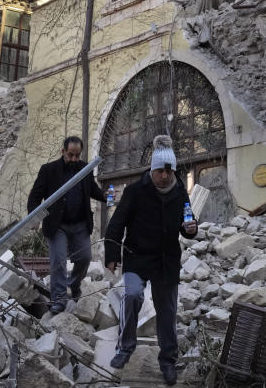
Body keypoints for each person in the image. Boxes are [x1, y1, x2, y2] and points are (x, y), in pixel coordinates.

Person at [105, 134, 198, 386]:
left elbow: (188, 222)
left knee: (167, 311)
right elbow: (115, 225)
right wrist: (112, 256)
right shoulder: (135, 191)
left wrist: (191, 228)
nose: (164, 176)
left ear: (173, 171)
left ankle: (167, 360)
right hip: (137, 257)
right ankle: (125, 347)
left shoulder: (181, 193)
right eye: (160, 171)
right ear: (152, 169)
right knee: (132, 296)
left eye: (169, 172)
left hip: (166, 260)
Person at [27, 136, 106, 314]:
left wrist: (108, 197)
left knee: (85, 258)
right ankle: (59, 299)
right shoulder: (48, 170)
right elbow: (35, 196)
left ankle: (74, 284)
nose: (74, 159)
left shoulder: (85, 169)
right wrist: (34, 217)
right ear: (62, 151)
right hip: (57, 225)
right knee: (59, 262)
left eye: (77, 155)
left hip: (80, 224)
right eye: (70, 155)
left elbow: (93, 190)